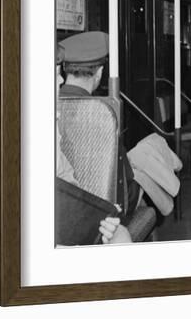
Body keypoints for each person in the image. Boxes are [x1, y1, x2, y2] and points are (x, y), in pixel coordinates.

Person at [59, 31, 139, 229]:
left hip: (65, 207)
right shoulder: (102, 116)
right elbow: (124, 182)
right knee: (147, 159)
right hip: (103, 211)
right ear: (100, 73)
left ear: (64, 70)